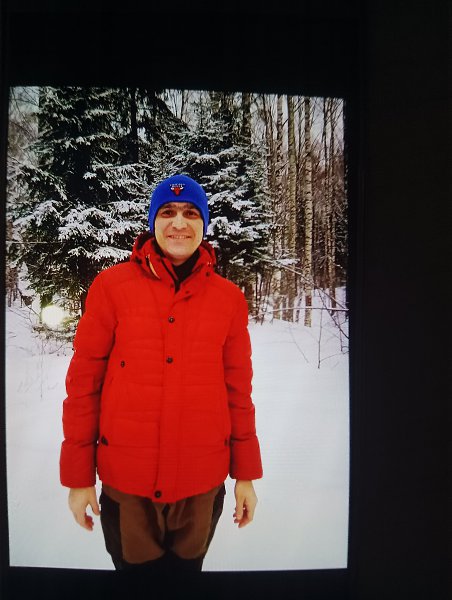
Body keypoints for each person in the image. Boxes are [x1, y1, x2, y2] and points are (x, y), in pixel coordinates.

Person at [59, 174, 263, 573]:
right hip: (127, 486)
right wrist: (78, 478)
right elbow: (83, 385)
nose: (179, 223)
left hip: (201, 484)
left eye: (191, 213)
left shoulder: (229, 299)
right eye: (167, 212)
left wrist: (246, 476)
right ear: (153, 221)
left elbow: (238, 391)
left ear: (204, 224)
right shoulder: (111, 287)